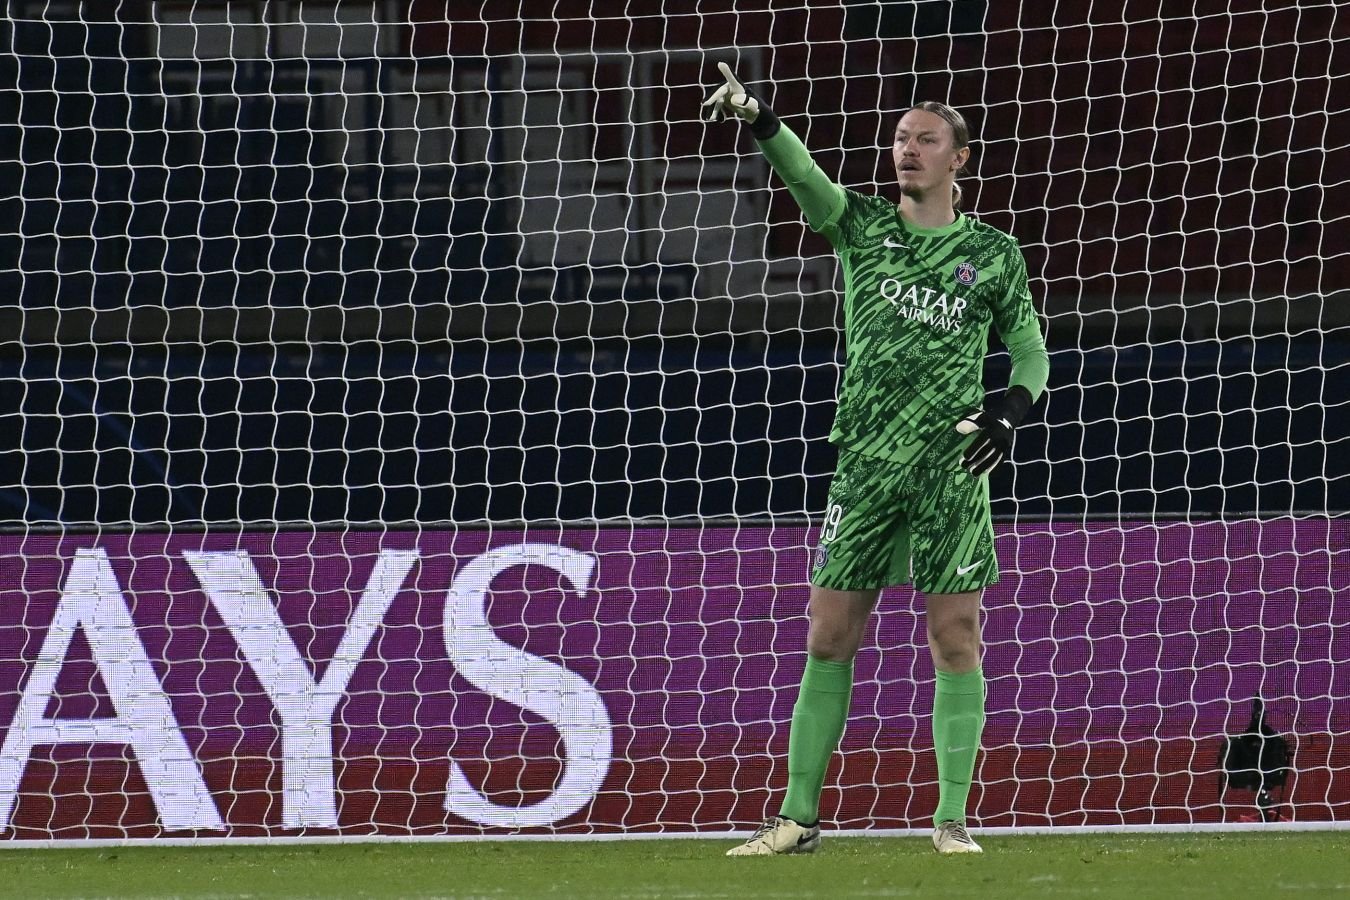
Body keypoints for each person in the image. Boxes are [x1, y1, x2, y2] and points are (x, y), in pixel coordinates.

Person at [703, 62, 1050, 855]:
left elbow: (1031, 352)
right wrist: (762, 119)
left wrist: (1011, 408)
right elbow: (806, 179)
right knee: (829, 639)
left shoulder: (993, 253)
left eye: (926, 139)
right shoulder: (860, 225)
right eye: (900, 138)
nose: (908, 149)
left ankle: (952, 820)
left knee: (956, 639)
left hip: (950, 470)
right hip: (864, 465)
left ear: (960, 158)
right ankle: (797, 820)